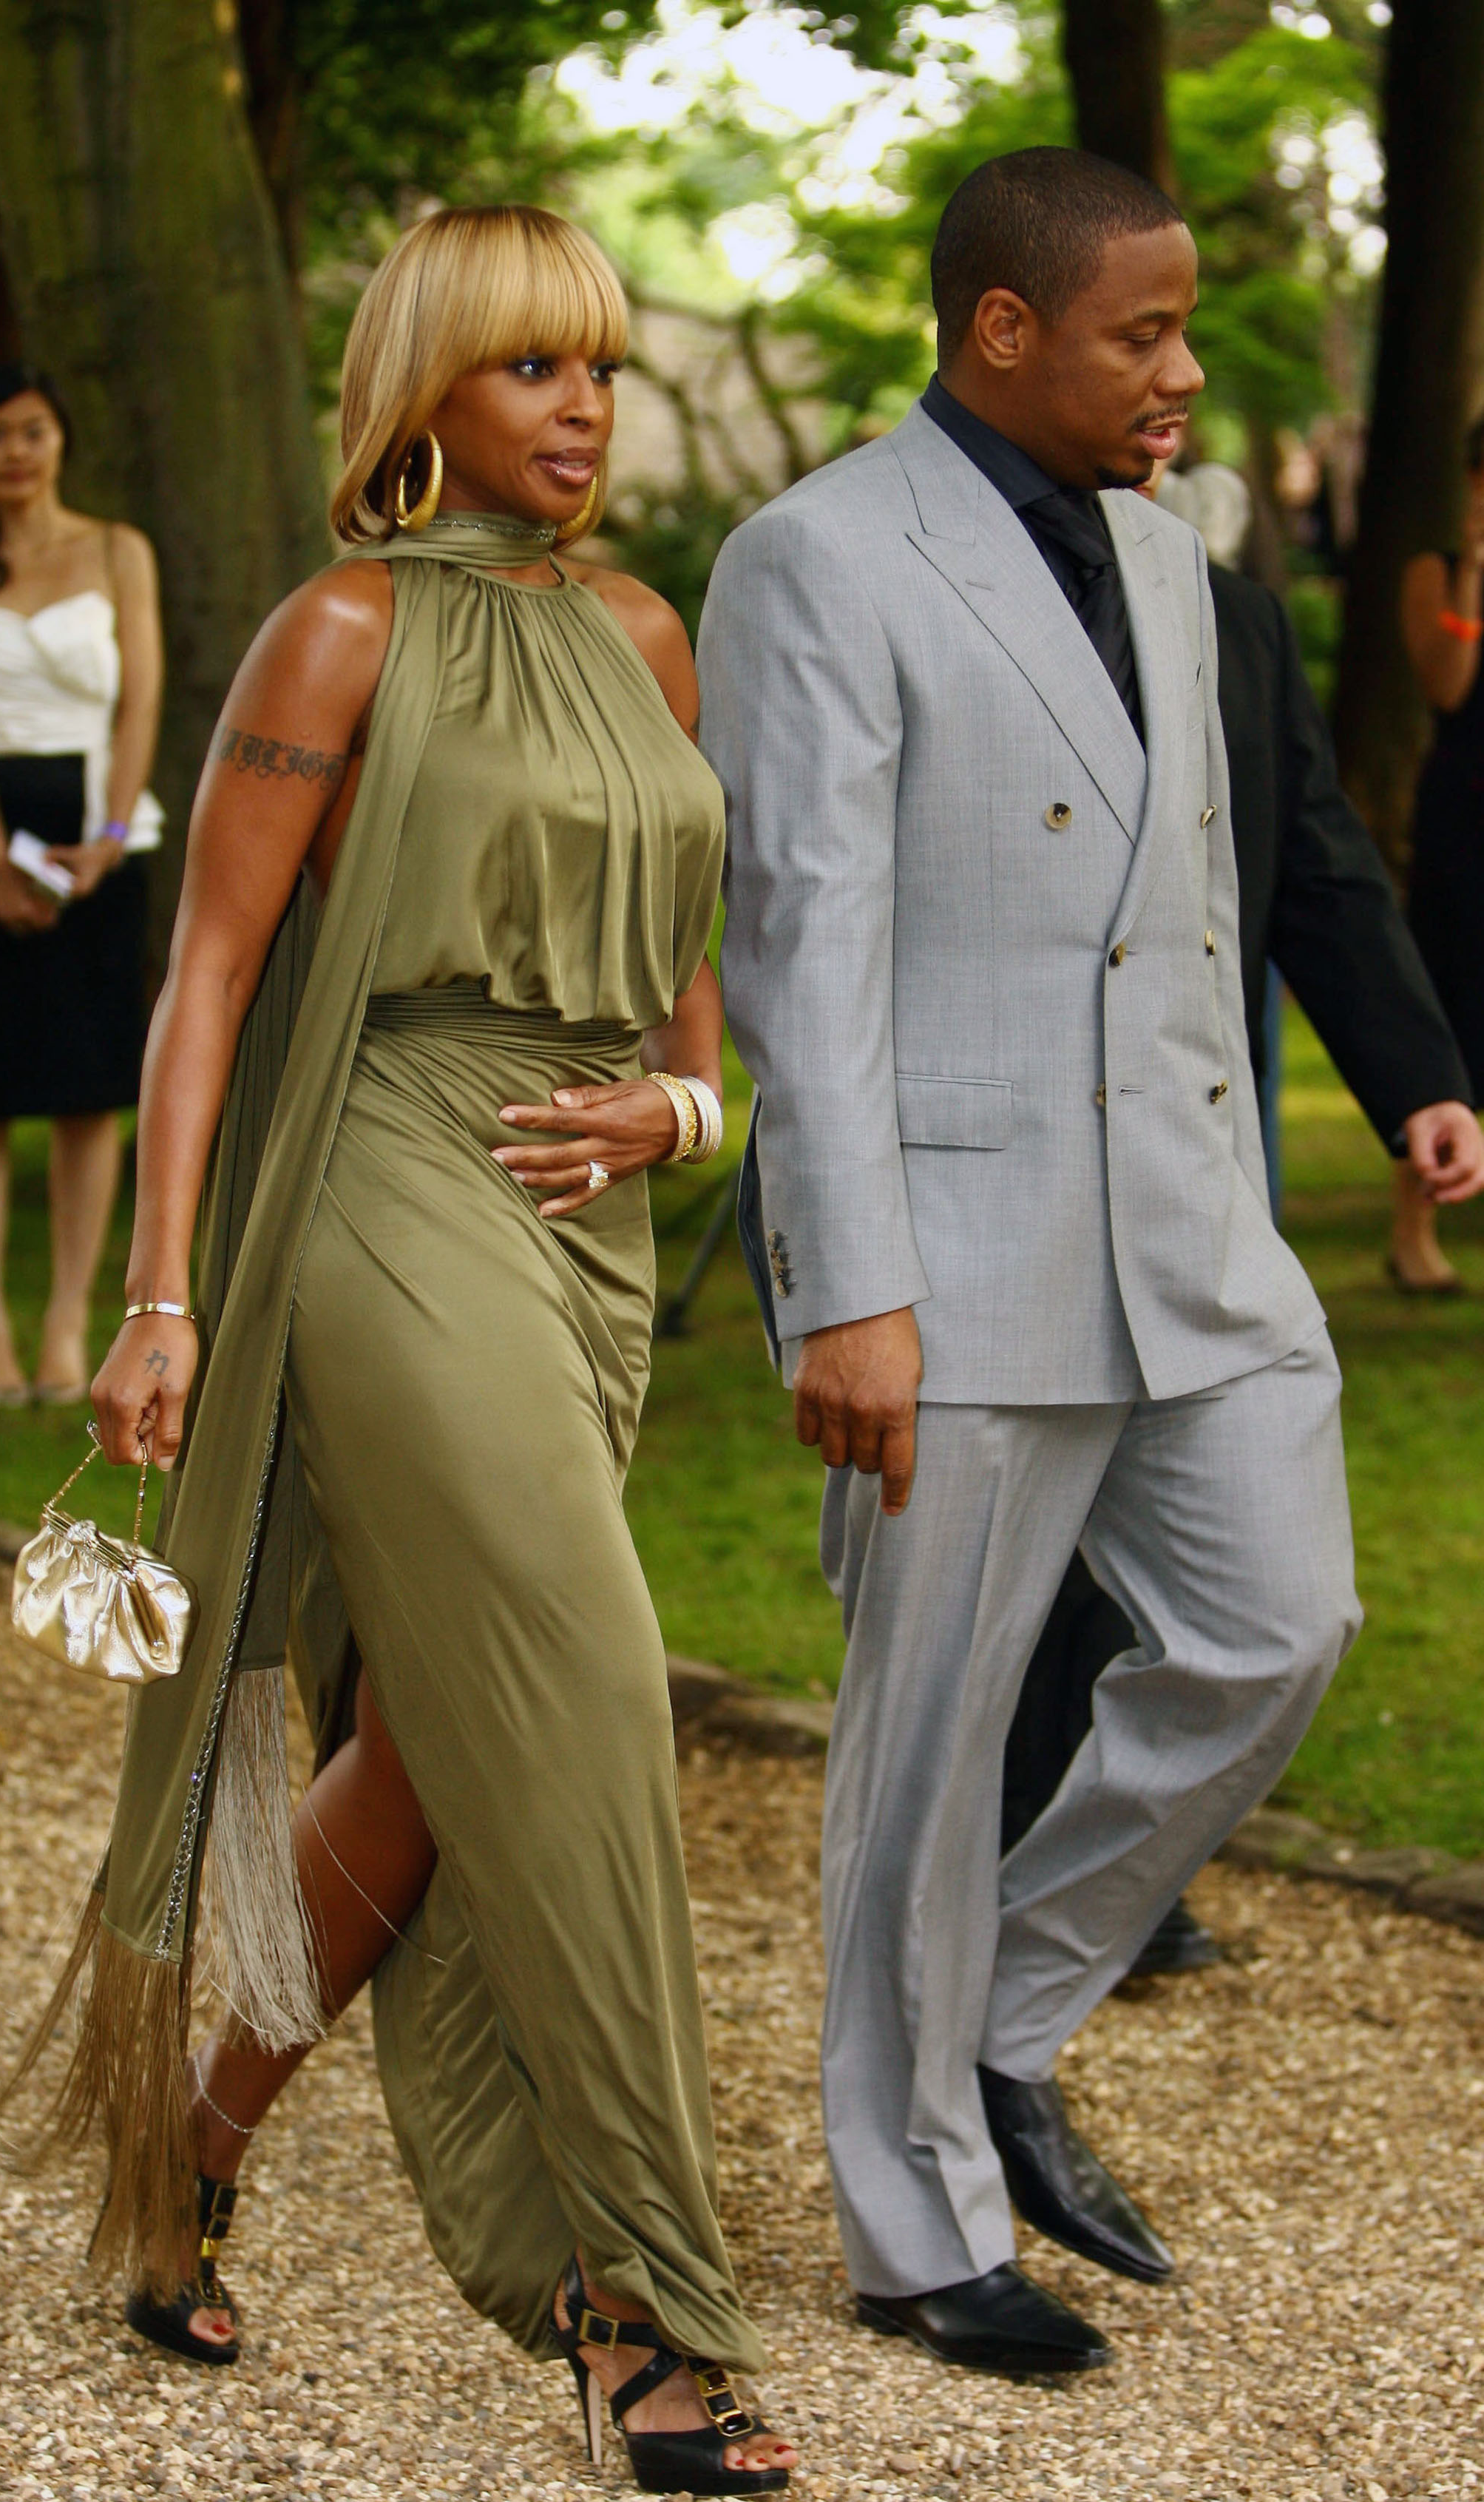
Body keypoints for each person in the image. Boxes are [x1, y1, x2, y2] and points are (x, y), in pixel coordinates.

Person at [0, 208, 793, 2500]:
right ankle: (636, 2294)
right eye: (531, 366)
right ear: (425, 391)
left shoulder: (643, 631)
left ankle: (192, 2133)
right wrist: (161, 1295)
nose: (584, 406)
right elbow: (209, 974)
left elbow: (686, 959)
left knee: (443, 1738)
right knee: (588, 1703)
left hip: (590, 1225)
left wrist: (686, 1112)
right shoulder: (340, 629)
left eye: (600, 366)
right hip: (387, 1187)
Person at [700, 148, 1361, 2382]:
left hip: (1194, 1236)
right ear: (1001, 329)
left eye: (1180, 331)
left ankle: (999, 2018)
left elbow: (1194, 907)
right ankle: (915, 2228)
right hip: (952, 1252)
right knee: (926, 1748)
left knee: (1274, 1625)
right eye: (1138, 333)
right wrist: (845, 1285)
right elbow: (805, 948)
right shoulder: (814, 557)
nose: (1180, 373)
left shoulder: (1172, 558)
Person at [1006, 467, 1484, 1976]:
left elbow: (1320, 857)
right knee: (1023, 1558)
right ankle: (1005, 1873)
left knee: (1250, 1581)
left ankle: (1096, 1887)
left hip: (1201, 1147)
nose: (1175, 385)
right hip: (1001, 1167)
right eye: (1135, 353)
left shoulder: (1239, 620)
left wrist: (1419, 1078)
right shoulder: (945, 596)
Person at [0, 364, 164, 1407]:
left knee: (88, 1089)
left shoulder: (118, 550)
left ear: (61, 440)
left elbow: (140, 700)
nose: (16, 452)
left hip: (100, 824)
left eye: (33, 431)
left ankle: (65, 1321)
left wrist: (109, 834)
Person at [1395, 410, 1484, 1291]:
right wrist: (1476, 574)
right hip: (1465, 815)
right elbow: (1448, 685)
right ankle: (1413, 1233)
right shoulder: (1437, 571)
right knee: (1451, 1004)